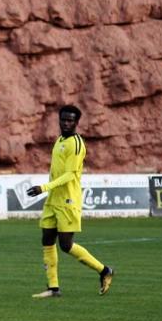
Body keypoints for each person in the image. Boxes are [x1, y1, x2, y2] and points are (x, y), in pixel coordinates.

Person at [25, 105, 113, 299]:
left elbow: (69, 175)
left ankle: (104, 270)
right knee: (47, 239)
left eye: (70, 120)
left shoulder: (76, 144)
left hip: (68, 199)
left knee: (65, 245)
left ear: (76, 123)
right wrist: (48, 191)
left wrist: (44, 187)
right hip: (53, 199)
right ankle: (53, 288)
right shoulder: (59, 141)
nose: (66, 123)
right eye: (63, 119)